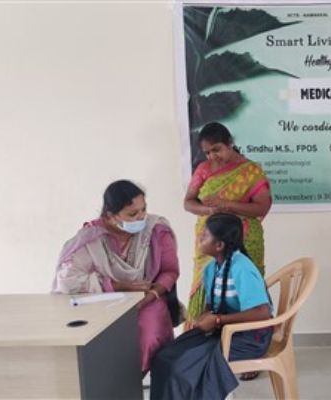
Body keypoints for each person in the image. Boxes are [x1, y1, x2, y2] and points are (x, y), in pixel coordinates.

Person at [52, 180, 179, 373]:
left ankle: (132, 381)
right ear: (111, 216)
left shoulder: (156, 230)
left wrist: (150, 296)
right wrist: (117, 285)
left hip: (149, 299)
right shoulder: (92, 238)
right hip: (103, 302)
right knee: (98, 342)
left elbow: (170, 271)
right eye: (132, 214)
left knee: (149, 334)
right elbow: (68, 281)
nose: (142, 217)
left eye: (143, 209)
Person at [151, 213, 273, 399]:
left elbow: (262, 312)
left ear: (219, 245)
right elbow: (212, 306)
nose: (199, 236)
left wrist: (217, 320)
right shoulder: (210, 269)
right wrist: (204, 317)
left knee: (185, 365)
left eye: (205, 234)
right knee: (165, 357)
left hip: (250, 338)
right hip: (222, 331)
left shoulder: (242, 268)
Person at [184, 121, 272, 329]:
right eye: (207, 152)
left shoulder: (251, 171)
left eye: (217, 149)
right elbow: (188, 202)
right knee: (205, 289)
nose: (212, 157)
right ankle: (202, 333)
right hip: (210, 237)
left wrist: (226, 205)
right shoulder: (203, 169)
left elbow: (262, 207)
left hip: (242, 238)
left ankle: (244, 334)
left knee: (242, 289)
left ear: (230, 143)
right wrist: (209, 211)